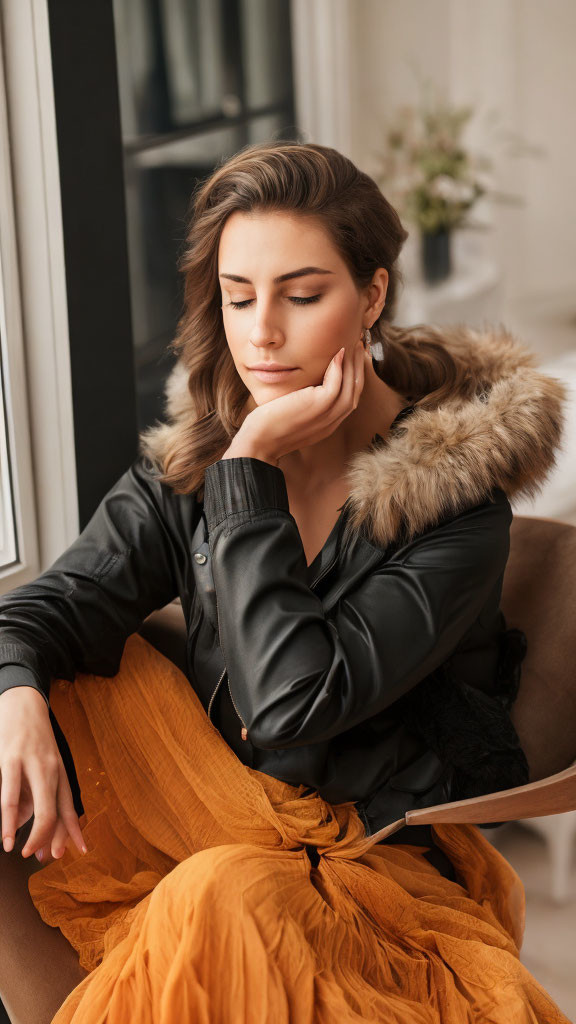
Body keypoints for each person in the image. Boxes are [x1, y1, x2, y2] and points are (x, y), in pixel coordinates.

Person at [0, 140, 571, 1023]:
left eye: (302, 296)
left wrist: (253, 467)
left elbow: (291, 706)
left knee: (220, 897)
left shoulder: (454, 510)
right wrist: (16, 694)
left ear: (372, 294)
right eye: (237, 297)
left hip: (366, 868)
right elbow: (48, 606)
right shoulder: (190, 467)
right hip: (199, 825)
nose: (261, 331)